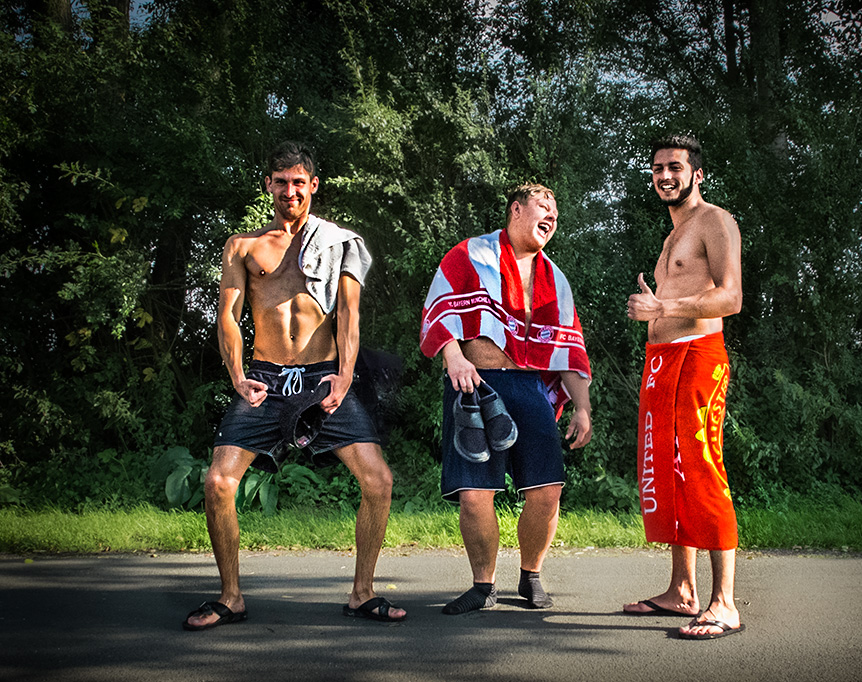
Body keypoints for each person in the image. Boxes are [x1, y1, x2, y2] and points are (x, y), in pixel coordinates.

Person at [183, 141, 405, 630]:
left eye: (298, 182)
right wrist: (238, 377)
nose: (289, 191)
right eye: (280, 182)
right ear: (268, 185)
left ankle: (363, 594)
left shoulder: (338, 242)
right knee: (218, 483)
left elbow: (348, 313)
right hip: (262, 378)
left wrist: (345, 375)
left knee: (378, 481)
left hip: (322, 377)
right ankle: (230, 597)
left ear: (313, 186)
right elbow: (227, 316)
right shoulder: (243, 246)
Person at [419, 184, 593, 614]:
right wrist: (454, 360)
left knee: (547, 490)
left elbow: (567, 349)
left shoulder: (555, 278)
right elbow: (438, 312)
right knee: (476, 493)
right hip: (474, 382)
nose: (550, 217)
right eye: (542, 208)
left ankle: (531, 575)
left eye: (556, 212)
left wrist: (583, 406)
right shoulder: (469, 255)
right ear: (516, 210)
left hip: (530, 386)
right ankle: (483, 586)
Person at [622, 135, 745, 640]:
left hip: (698, 358)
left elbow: (731, 296)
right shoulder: (672, 236)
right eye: (657, 168)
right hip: (662, 361)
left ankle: (725, 603)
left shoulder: (714, 220)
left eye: (675, 167)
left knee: (700, 468)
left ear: (697, 174)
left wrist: (664, 309)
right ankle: (682, 590)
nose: (664, 175)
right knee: (668, 475)